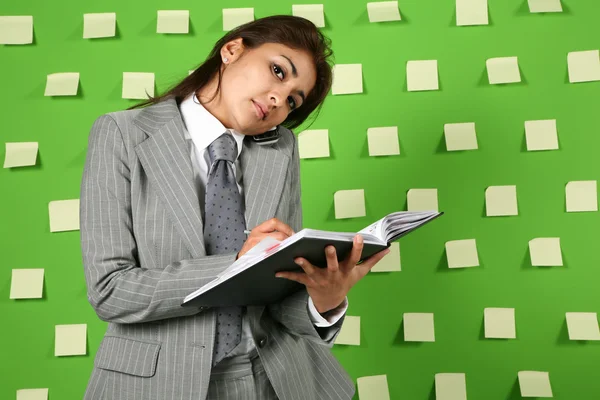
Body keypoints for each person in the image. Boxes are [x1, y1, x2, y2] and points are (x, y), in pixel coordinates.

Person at [79, 15, 391, 400]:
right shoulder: (122, 134)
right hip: (158, 383)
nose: (280, 99)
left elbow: (278, 295)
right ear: (232, 50)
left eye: (294, 99)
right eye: (278, 71)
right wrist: (235, 265)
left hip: (274, 380)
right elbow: (110, 291)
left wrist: (324, 301)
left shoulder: (280, 149)